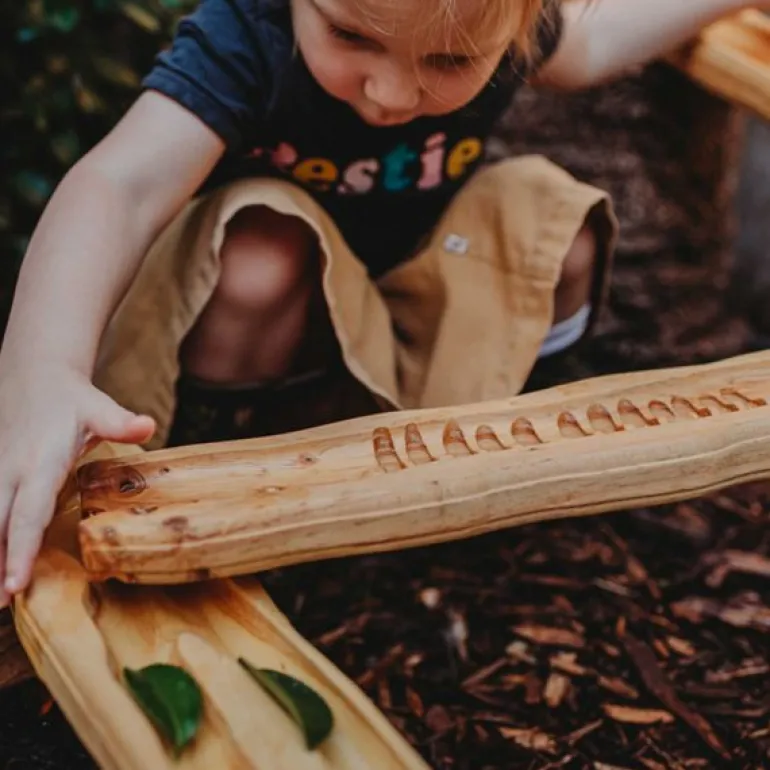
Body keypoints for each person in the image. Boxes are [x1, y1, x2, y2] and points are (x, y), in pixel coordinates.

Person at [0, 0, 760, 603]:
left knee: (550, 219)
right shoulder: (250, 33)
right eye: (350, 35)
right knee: (262, 256)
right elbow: (122, 187)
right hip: (263, 322)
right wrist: (43, 369)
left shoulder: (504, 15)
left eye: (451, 59)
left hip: (398, 305)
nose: (392, 93)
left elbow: (593, 43)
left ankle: (494, 456)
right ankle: (237, 452)